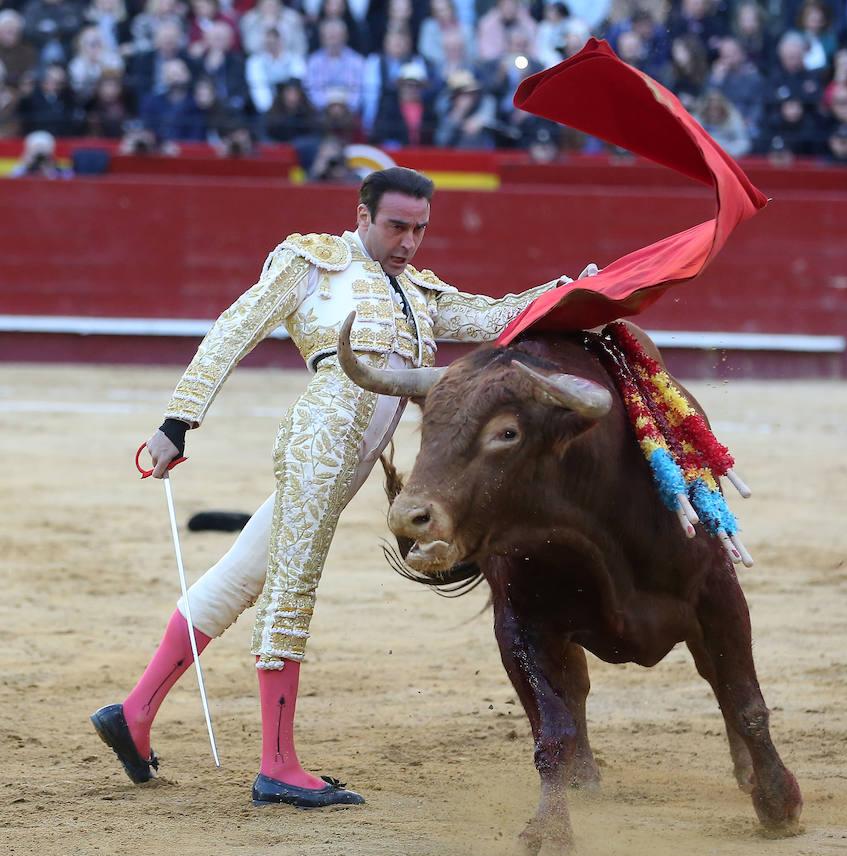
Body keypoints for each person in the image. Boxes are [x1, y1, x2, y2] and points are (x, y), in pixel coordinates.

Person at [91, 166, 594, 810]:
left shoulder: (419, 290)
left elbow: (494, 314)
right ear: (361, 216)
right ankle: (277, 765)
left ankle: (133, 714)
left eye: (419, 230)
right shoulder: (313, 263)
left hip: (352, 456)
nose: (409, 242)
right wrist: (177, 422)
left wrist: (574, 290)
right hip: (321, 441)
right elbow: (232, 329)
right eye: (396, 227)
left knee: (242, 576)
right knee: (291, 586)